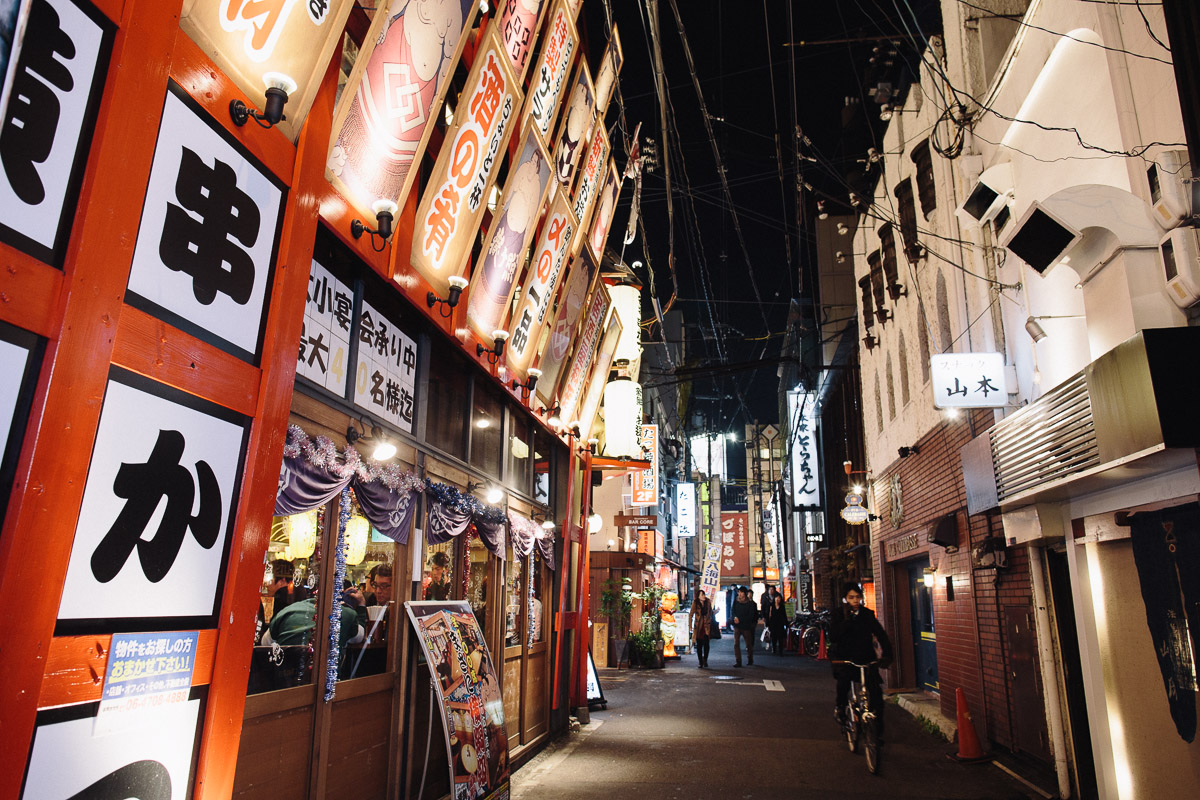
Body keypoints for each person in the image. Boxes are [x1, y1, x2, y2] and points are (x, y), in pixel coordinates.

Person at [829, 583, 893, 739]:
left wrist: (887, 655)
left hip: (866, 658)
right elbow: (833, 636)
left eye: (857, 597)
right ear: (845, 599)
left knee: (876, 694)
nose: (855, 601)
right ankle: (841, 709)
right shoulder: (838, 614)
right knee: (843, 684)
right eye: (851, 597)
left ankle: (877, 733)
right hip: (846, 659)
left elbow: (881, 635)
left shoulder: (867, 615)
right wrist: (847, 621)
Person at [730, 586, 758, 667]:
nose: (739, 594)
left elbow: (750, 615)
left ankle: (750, 658)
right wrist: (735, 617)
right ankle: (738, 661)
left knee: (748, 644)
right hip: (737, 625)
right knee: (736, 643)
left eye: (741, 592)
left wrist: (740, 619)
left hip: (746, 626)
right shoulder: (736, 601)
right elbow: (732, 610)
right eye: (739, 592)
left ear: (745, 593)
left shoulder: (750, 603)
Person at [688, 590, 713, 668]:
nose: (703, 596)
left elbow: (711, 612)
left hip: (706, 626)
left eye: (704, 594)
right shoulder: (695, 603)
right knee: (699, 644)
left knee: (706, 644)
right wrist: (690, 626)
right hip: (698, 626)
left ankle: (705, 660)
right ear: (698, 596)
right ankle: (700, 661)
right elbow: (691, 614)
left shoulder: (708, 602)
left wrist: (715, 612)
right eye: (702, 595)